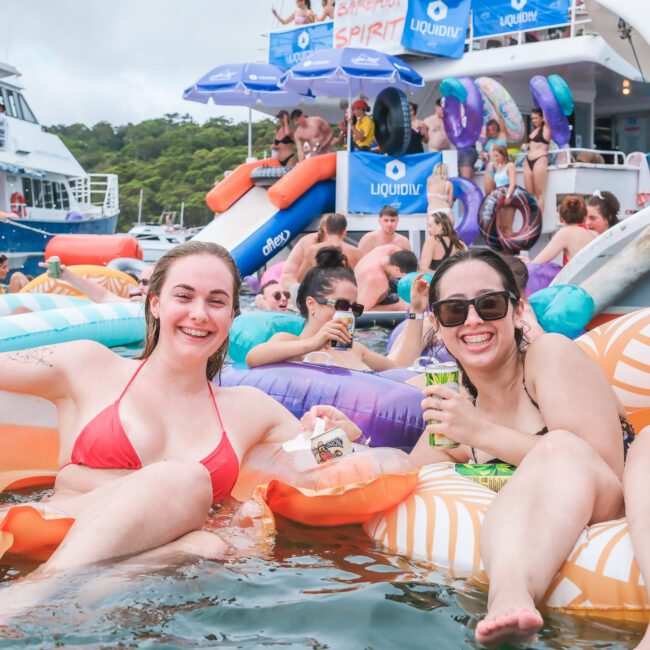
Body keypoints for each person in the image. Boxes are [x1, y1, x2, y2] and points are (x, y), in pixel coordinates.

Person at [309, 249, 632, 646]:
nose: (473, 320)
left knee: (562, 447)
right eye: (454, 311)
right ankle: (509, 605)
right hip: (533, 537)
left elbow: (603, 466)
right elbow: (407, 471)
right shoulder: (459, 407)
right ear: (438, 325)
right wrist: (345, 443)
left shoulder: (550, 357)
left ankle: (509, 595)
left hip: (612, 502)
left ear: (517, 311)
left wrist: (481, 432)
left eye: (489, 304)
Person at [0, 241, 310, 618]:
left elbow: (324, 454)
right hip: (48, 539)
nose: (199, 314)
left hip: (129, 584)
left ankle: (56, 611)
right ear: (155, 303)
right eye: (184, 296)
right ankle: (29, 601)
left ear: (232, 314)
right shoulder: (89, 366)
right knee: (185, 481)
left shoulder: (249, 407)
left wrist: (338, 431)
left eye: (216, 301)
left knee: (205, 546)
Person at [246, 247, 427, 371]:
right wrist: (315, 342)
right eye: (341, 305)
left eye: (354, 308)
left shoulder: (356, 350)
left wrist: (417, 310)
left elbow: (401, 368)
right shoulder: (291, 342)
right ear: (312, 304)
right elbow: (253, 358)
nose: (348, 314)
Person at [39, 262, 155, 303]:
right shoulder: (135, 305)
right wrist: (67, 276)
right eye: (139, 281)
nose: (139, 286)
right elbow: (103, 296)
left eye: (145, 282)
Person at [531, 195, 596, 265]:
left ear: (560, 218)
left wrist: (528, 263)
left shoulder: (565, 233)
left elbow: (537, 262)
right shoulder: (595, 234)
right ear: (585, 217)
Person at [297, 212, 362, 279]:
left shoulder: (312, 250)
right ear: (344, 232)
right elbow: (360, 280)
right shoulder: (356, 253)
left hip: (319, 288)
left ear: (326, 230)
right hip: (345, 287)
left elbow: (300, 279)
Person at [354, 245, 419, 311]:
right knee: (412, 304)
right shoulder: (378, 279)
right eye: (404, 276)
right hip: (365, 299)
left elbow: (406, 257)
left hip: (370, 283)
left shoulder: (389, 249)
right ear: (397, 269)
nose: (404, 278)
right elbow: (362, 311)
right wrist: (398, 307)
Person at [484, 145, 517, 237]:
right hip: (499, 199)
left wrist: (508, 196)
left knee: (507, 226)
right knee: (500, 227)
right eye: (494, 156)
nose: (496, 158)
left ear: (503, 155)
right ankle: (502, 250)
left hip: (508, 198)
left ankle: (511, 250)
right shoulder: (498, 166)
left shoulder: (510, 166)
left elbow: (512, 183)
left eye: (497, 156)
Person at [523, 108, 552, 212]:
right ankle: (532, 220)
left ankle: (539, 222)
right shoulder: (534, 130)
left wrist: (543, 102)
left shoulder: (546, 129)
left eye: (536, 118)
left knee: (539, 193)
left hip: (540, 159)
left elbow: (547, 117)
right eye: (532, 118)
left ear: (542, 118)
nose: (534, 120)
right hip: (528, 161)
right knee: (529, 195)